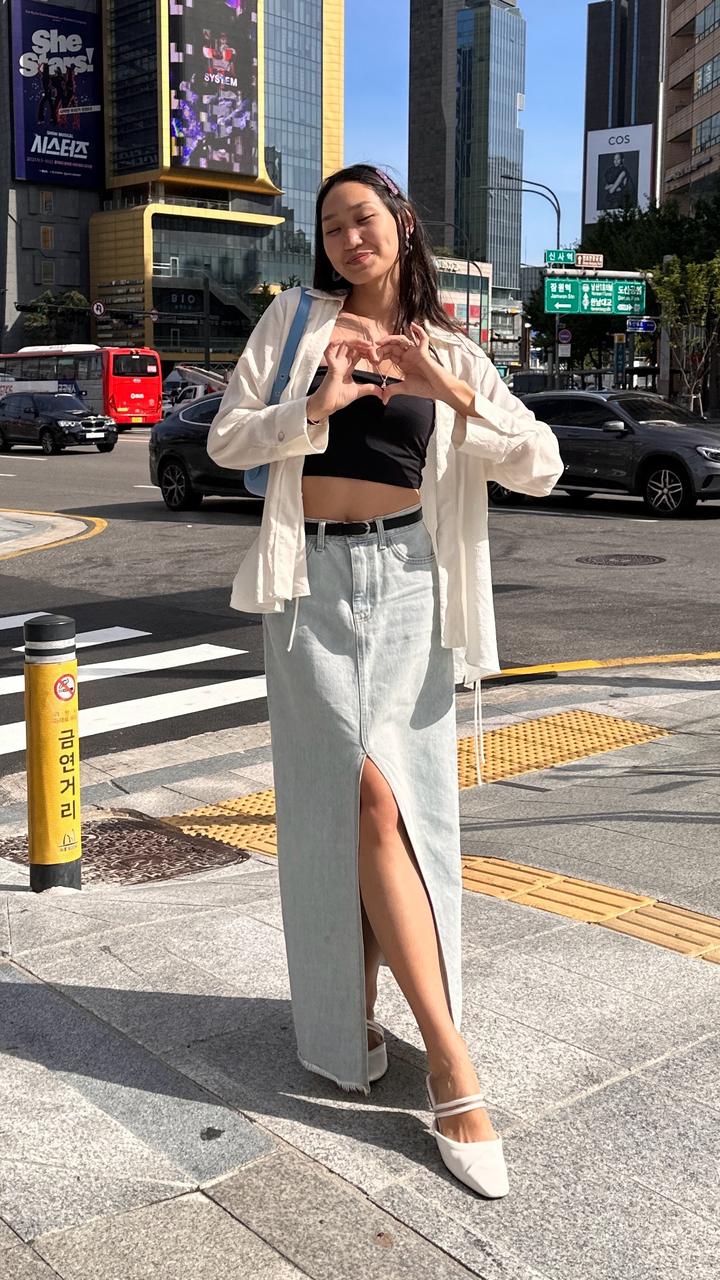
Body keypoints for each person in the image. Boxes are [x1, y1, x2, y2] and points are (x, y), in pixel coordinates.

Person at [207, 163, 563, 1199]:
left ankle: (385, 1029)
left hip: (411, 584)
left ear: (402, 225)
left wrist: (450, 393)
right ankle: (451, 1061)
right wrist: (312, 405)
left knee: (397, 810)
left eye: (363, 218)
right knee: (352, 800)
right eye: (331, 226)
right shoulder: (293, 322)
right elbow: (227, 440)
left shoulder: (449, 349)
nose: (348, 238)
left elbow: (539, 462)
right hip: (308, 585)